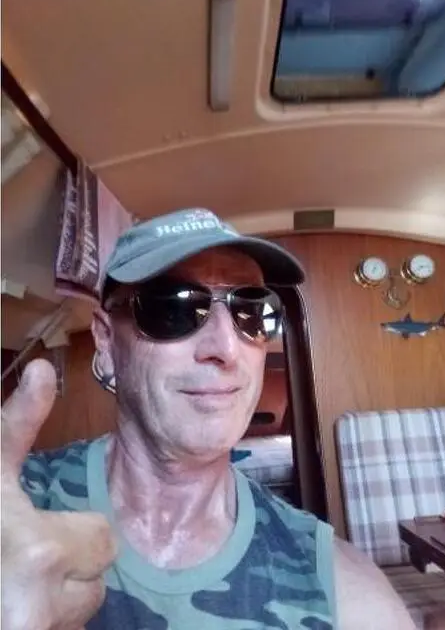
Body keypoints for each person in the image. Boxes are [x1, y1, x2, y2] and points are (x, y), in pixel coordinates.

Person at [2, 209, 415, 629]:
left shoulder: (337, 586)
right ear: (107, 342)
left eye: (251, 312)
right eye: (174, 308)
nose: (226, 349)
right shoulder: (17, 508)